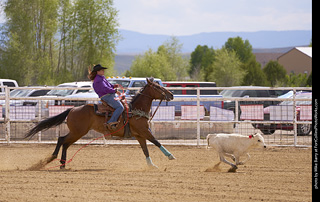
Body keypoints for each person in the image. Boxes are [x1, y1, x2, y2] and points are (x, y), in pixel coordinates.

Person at [88, 64, 124, 130]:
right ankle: (111, 121)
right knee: (120, 107)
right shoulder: (98, 80)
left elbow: (108, 85)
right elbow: (105, 88)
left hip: (108, 95)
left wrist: (113, 86)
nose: (103, 71)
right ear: (98, 72)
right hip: (106, 96)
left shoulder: (101, 77)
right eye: (102, 70)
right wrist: (115, 91)